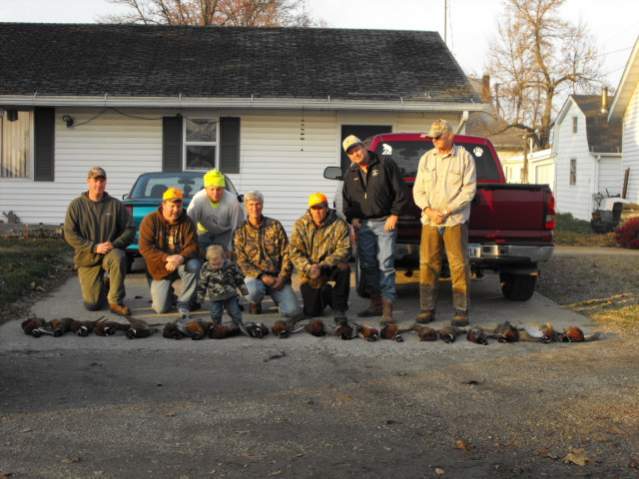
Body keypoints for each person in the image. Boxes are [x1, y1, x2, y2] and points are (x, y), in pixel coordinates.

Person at [413, 119, 477, 327]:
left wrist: (447, 211)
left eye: (438, 137)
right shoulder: (426, 159)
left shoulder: (465, 158)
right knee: (427, 265)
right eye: (432, 137)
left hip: (455, 220)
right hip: (430, 220)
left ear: (450, 135)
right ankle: (427, 309)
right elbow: (418, 190)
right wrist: (430, 211)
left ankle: (461, 311)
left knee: (458, 266)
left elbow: (469, 191)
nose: (434, 140)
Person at [341, 135, 409, 325]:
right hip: (364, 226)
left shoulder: (385, 163)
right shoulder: (351, 173)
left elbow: (400, 192)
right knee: (368, 265)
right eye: (351, 152)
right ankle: (375, 304)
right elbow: (347, 201)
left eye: (357, 148)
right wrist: (352, 217)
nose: (355, 153)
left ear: (363, 146)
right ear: (349, 156)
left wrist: (395, 215)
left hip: (385, 222)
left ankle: (388, 309)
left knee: (385, 264)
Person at [64, 166, 135, 316]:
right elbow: (69, 234)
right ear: (88, 181)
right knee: (93, 305)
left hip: (109, 253)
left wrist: (114, 244)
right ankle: (105, 286)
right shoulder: (76, 205)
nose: (99, 184)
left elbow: (130, 229)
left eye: (102, 181)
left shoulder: (115, 205)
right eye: (95, 180)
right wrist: (93, 247)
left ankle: (115, 301)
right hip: (87, 257)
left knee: (119, 257)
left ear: (105, 183)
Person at [233, 191, 303, 323]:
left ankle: (279, 299)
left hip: (277, 277)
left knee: (293, 312)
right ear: (246, 206)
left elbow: (287, 253)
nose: (255, 208)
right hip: (253, 278)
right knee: (251, 291)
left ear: (262, 205)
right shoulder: (239, 230)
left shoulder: (275, 225)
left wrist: (282, 277)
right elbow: (240, 261)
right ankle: (255, 302)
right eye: (251, 204)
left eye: (258, 204)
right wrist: (262, 276)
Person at [289, 192, 351, 324]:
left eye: (321, 207)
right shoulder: (300, 224)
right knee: (312, 312)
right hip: (310, 271)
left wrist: (323, 265)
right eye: (314, 208)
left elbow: (345, 249)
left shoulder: (339, 224)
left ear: (327, 207)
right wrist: (309, 267)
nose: (317, 212)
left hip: (329, 266)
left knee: (344, 267)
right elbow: (294, 252)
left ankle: (340, 308)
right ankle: (326, 292)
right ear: (310, 210)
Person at [139, 187, 201, 315]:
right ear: (163, 205)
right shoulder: (150, 220)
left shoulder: (187, 221)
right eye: (172, 206)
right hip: (160, 266)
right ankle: (169, 295)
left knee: (194, 264)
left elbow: (193, 246)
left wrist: (180, 258)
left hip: (181, 264)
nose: (176, 210)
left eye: (178, 206)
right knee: (160, 309)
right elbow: (145, 248)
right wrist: (167, 258)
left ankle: (185, 302)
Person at [187, 169, 244, 254]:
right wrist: (192, 246)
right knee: (198, 258)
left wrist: (231, 249)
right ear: (206, 189)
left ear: (224, 188)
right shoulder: (198, 199)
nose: (215, 193)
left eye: (219, 189)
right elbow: (190, 224)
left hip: (225, 234)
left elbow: (237, 227)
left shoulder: (232, 201)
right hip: (203, 232)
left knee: (222, 259)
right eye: (212, 189)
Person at [196, 244, 248, 326]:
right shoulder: (205, 268)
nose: (216, 266)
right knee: (215, 313)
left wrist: (244, 290)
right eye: (213, 264)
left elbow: (239, 278)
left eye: (219, 264)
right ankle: (217, 325)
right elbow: (202, 283)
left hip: (230, 295)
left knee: (235, 311)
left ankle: (238, 324)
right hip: (215, 296)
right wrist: (200, 297)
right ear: (208, 261)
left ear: (224, 258)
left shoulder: (230, 266)